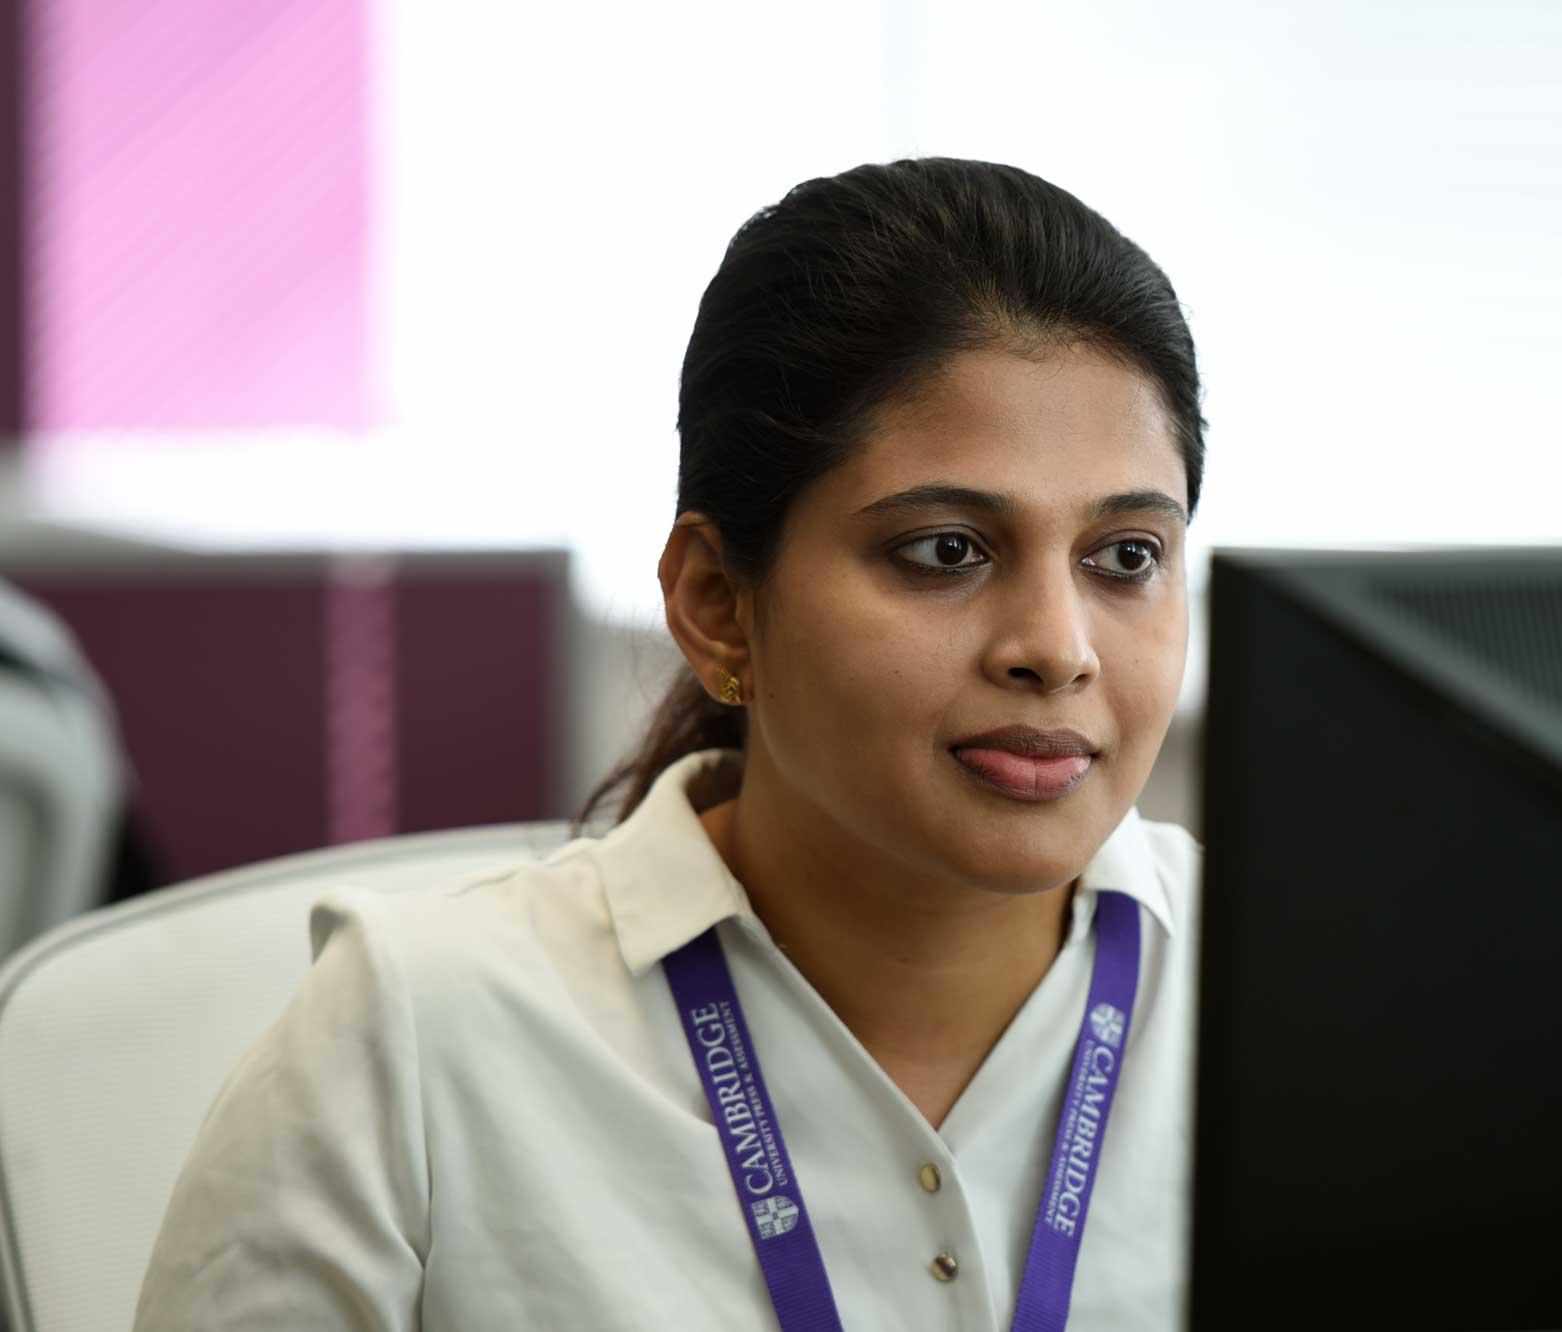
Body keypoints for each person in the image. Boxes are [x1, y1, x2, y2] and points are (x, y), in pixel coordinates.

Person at [134, 156, 1207, 1331]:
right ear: (715, 603)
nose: (1055, 648)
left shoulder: (1305, 994)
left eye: (1124, 558)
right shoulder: (414, 1037)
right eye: (945, 550)